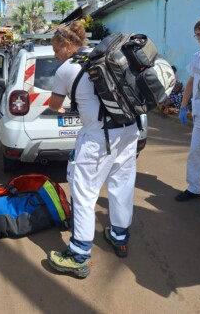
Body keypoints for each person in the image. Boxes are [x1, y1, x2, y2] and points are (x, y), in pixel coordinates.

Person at [46, 21, 139, 278]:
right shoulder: (107, 57)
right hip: (128, 130)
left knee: (84, 194)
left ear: (66, 45)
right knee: (122, 185)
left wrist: (61, 107)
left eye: (55, 50)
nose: (55, 56)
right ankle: (120, 237)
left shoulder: (66, 69)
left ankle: (78, 255)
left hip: (97, 137)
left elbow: (55, 105)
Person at [176, 18, 200, 202]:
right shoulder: (197, 57)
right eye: (198, 34)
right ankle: (194, 188)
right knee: (195, 153)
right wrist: (183, 106)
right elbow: (190, 82)